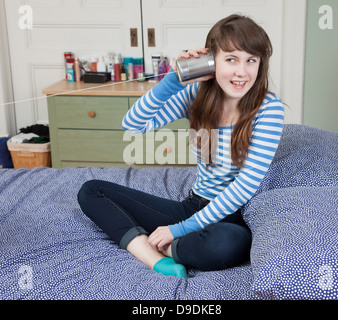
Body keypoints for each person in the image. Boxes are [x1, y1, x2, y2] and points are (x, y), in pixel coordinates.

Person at [77, 14, 284, 278]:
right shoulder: (197, 95)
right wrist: (174, 79)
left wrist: (179, 230)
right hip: (194, 205)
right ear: (211, 61)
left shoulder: (268, 109)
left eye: (251, 60)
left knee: (225, 244)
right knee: (91, 191)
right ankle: (155, 257)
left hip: (233, 215)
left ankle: (168, 247)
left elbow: (245, 186)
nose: (241, 72)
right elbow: (134, 124)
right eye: (231, 59)